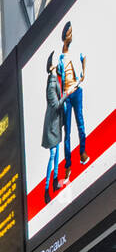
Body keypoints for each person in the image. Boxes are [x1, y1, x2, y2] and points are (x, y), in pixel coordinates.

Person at [59, 20, 87, 186]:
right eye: (69, 33)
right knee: (67, 131)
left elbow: (84, 57)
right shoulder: (61, 58)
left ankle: (83, 152)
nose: (71, 35)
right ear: (64, 37)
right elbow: (60, 77)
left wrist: (83, 75)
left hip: (76, 91)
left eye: (71, 32)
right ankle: (68, 165)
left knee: (80, 123)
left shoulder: (76, 51)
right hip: (67, 96)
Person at [43, 51, 64, 204]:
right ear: (50, 67)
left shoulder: (54, 79)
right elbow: (56, 104)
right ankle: (46, 189)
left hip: (55, 123)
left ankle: (55, 181)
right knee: (53, 154)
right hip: (52, 125)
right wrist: (67, 95)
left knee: (56, 153)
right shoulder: (51, 84)